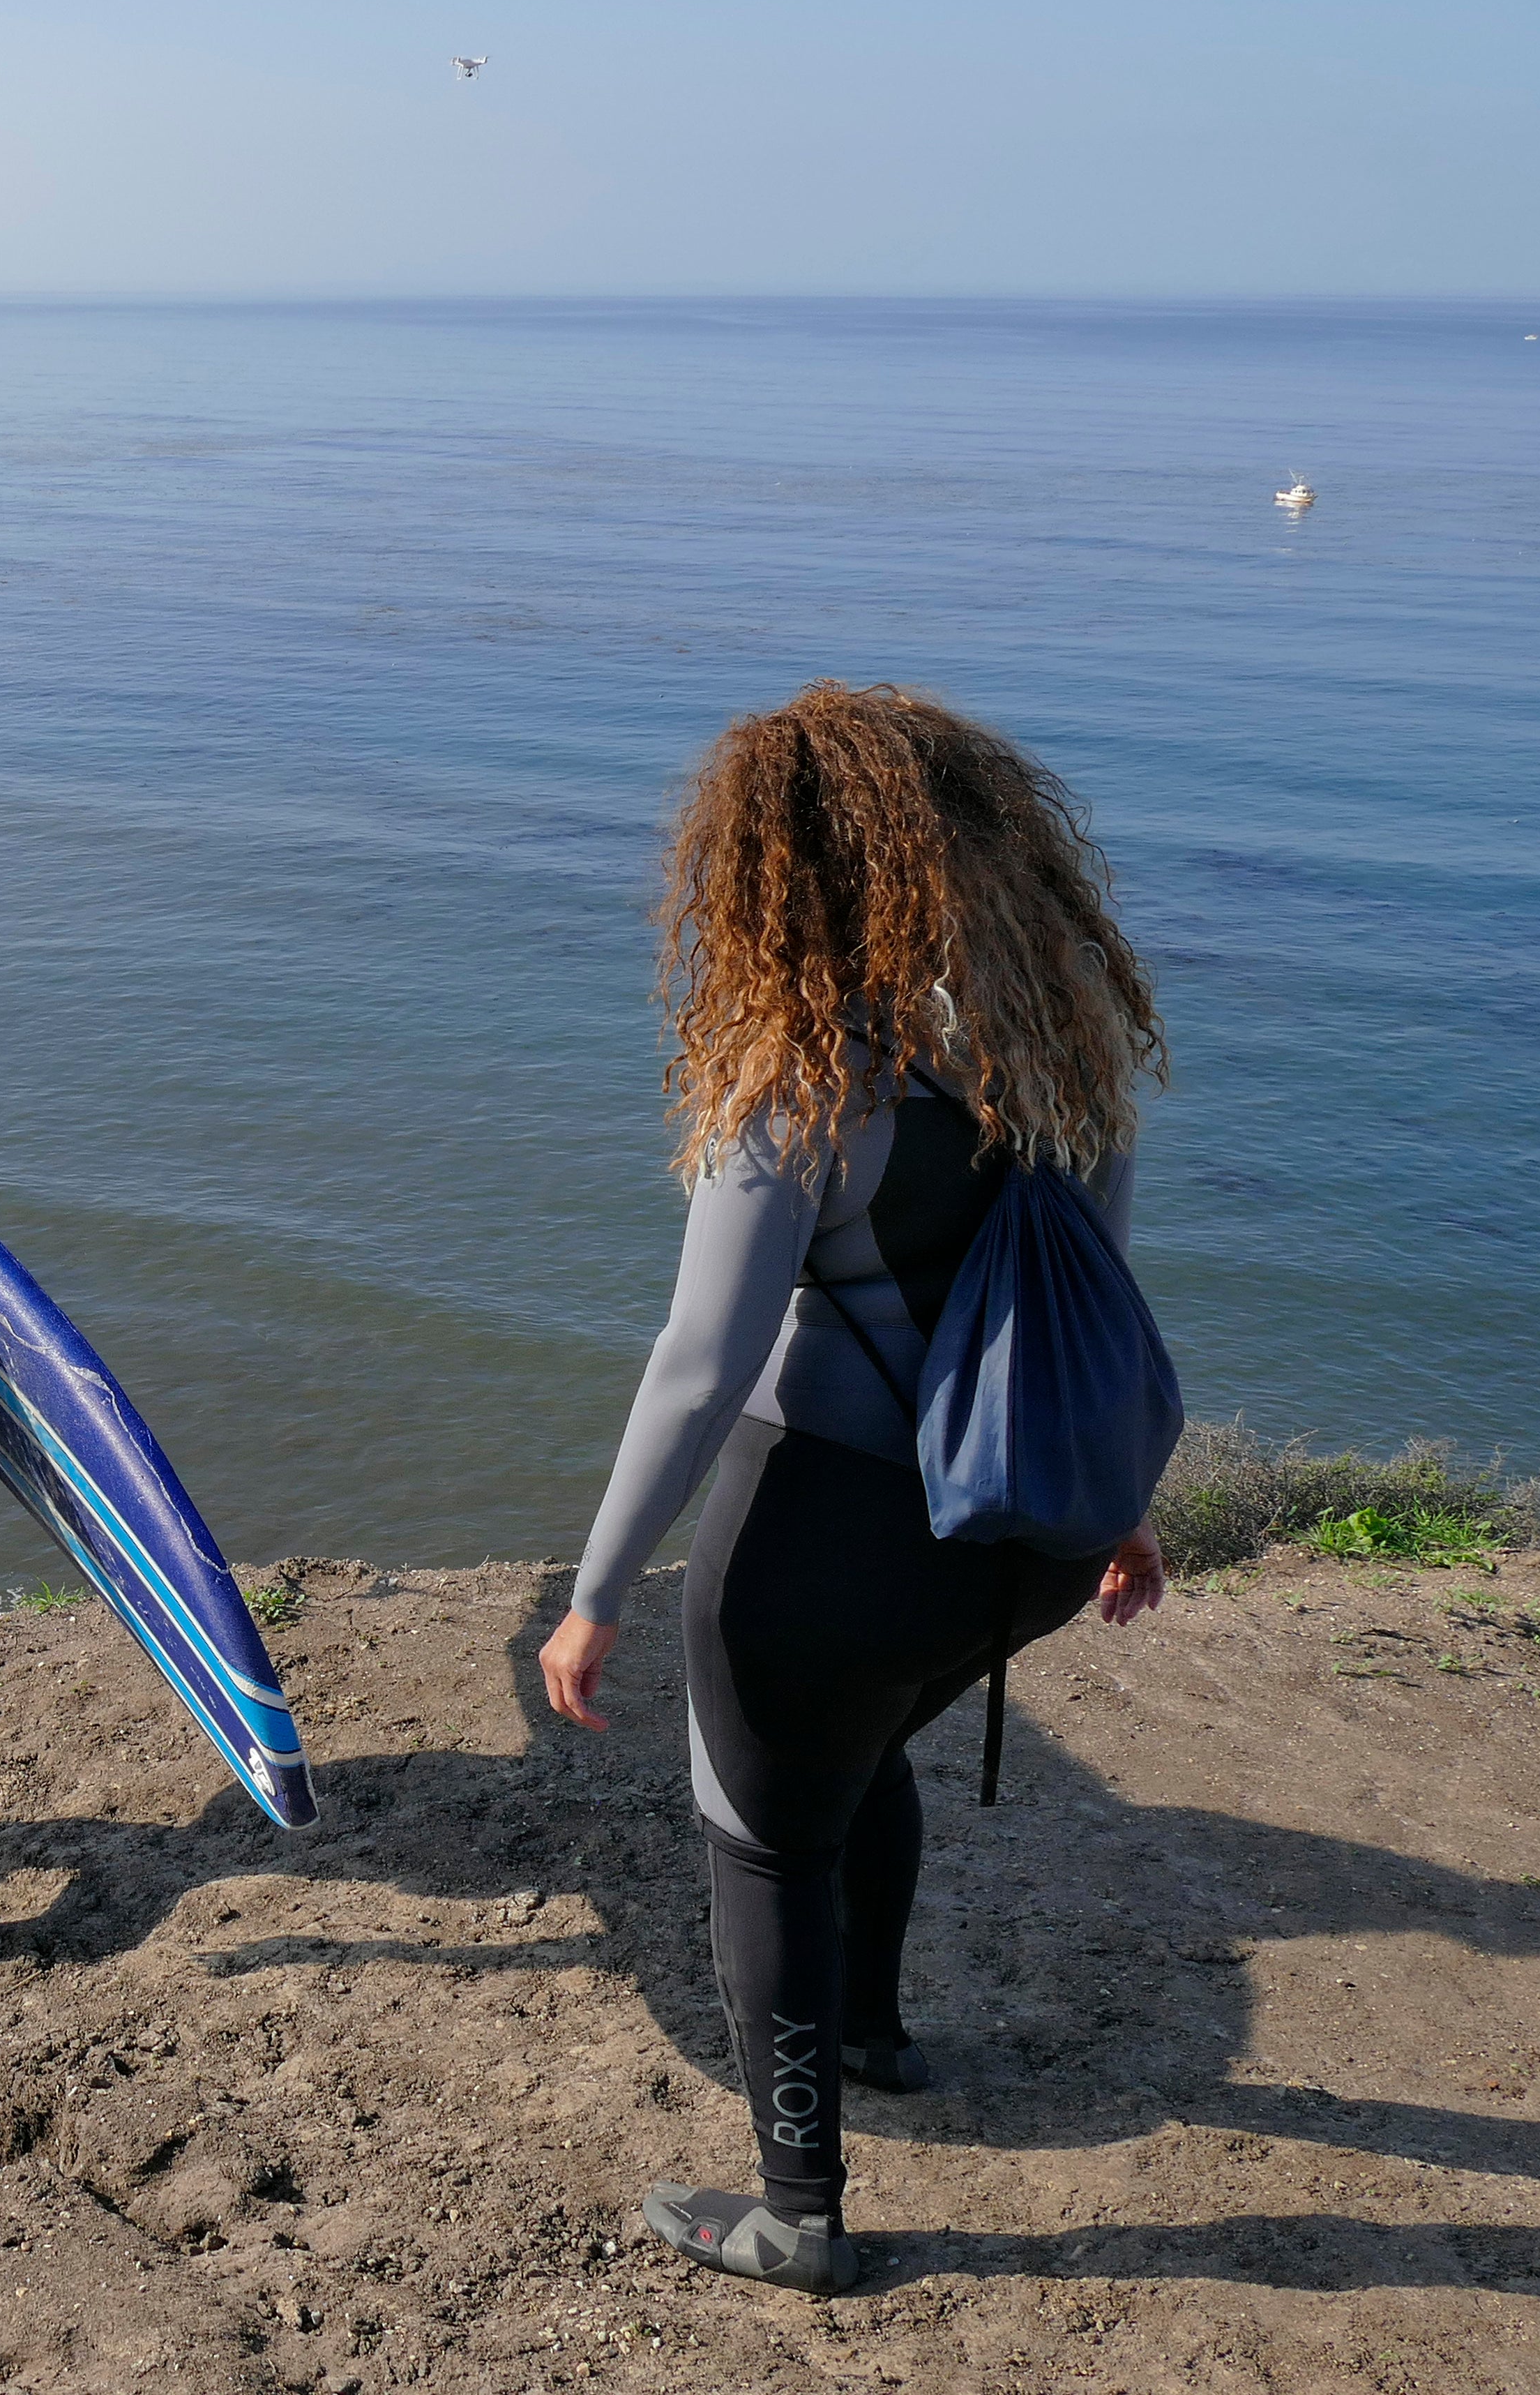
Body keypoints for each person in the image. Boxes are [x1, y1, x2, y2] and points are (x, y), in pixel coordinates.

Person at [541, 683, 1173, 2295]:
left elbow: (697, 1364)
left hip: (822, 1543)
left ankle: (796, 2213)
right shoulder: (1054, 1044)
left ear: (765, 875)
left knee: (761, 1839)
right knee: (863, 1750)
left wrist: (597, 1593)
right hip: (1012, 1542)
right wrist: (1118, 1509)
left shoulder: (799, 1079)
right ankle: (875, 2034)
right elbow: (1081, 1309)